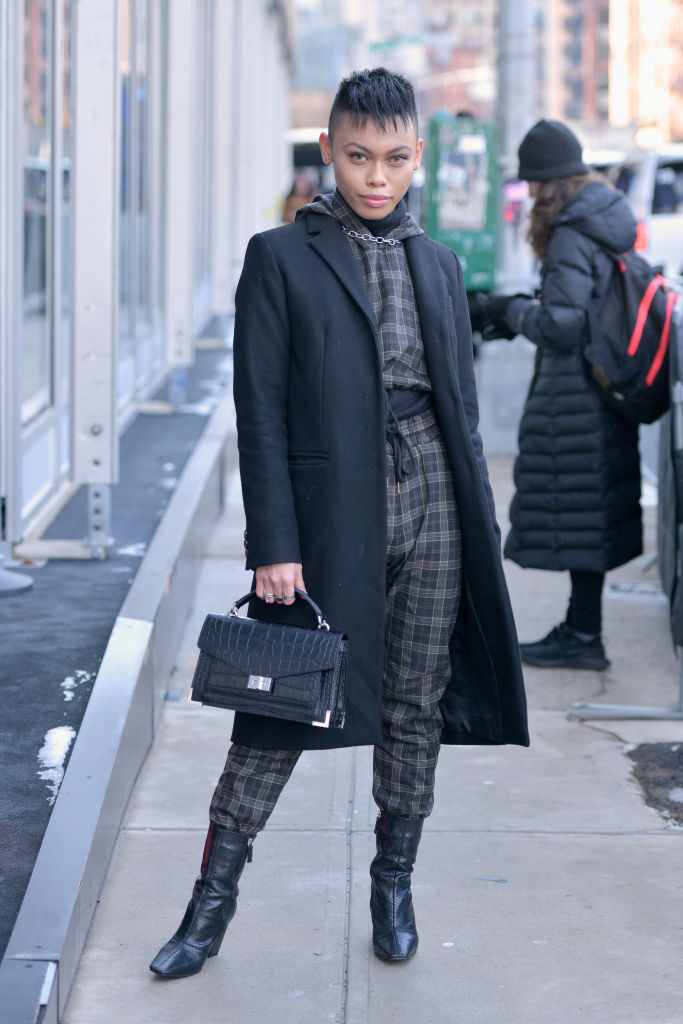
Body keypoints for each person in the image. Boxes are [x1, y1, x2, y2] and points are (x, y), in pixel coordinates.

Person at [149, 67, 528, 981]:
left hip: (432, 497)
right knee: (276, 706)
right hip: (327, 514)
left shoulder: (437, 263)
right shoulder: (280, 256)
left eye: (395, 159)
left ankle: (392, 888)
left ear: (416, 158)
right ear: (327, 151)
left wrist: (474, 518)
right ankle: (208, 909)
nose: (375, 177)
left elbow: (460, 408)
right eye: (357, 156)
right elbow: (261, 408)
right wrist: (271, 541)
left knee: (413, 704)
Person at [480, 119, 642, 671]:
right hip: (600, 392)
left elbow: (563, 326)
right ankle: (581, 629)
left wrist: (509, 310)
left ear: (549, 184)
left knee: (580, 513)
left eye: (530, 184)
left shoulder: (573, 231)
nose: (526, 195)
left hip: (577, 397)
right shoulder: (602, 219)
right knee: (589, 514)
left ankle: (583, 636)